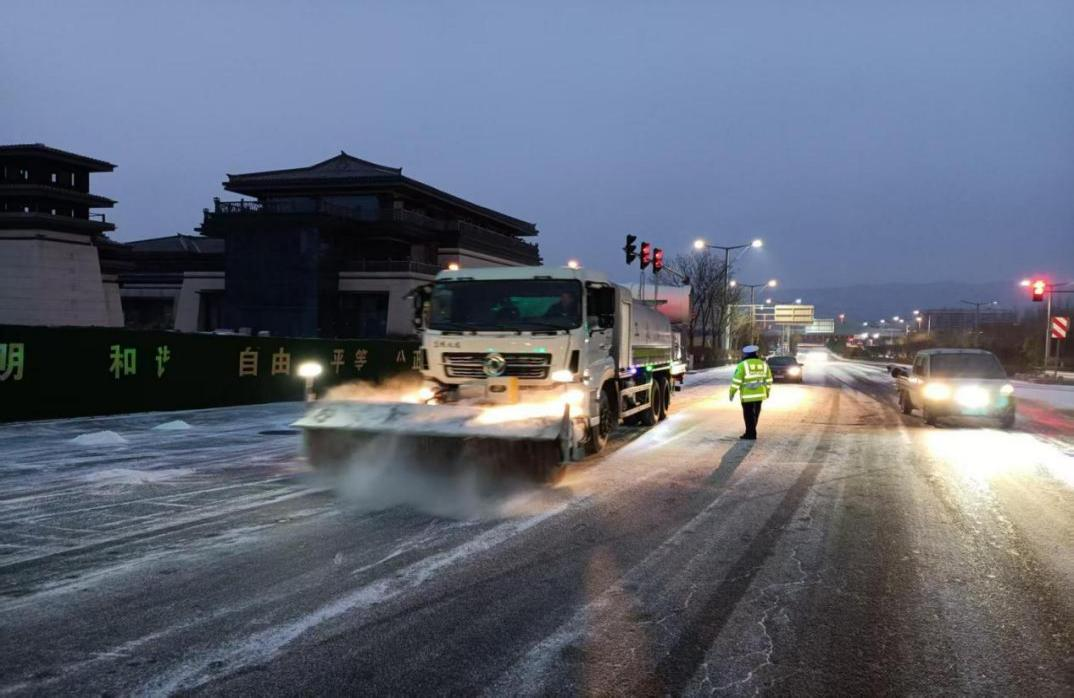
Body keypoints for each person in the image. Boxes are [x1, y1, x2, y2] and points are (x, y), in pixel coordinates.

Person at [729, 345, 772, 440]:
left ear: (746, 354)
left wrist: (732, 392)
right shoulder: (763, 365)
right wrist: (767, 391)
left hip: (747, 395)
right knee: (756, 414)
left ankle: (751, 433)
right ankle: (751, 431)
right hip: (760, 395)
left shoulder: (742, 365)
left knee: (748, 415)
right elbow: (769, 380)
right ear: (756, 353)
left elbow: (737, 381)